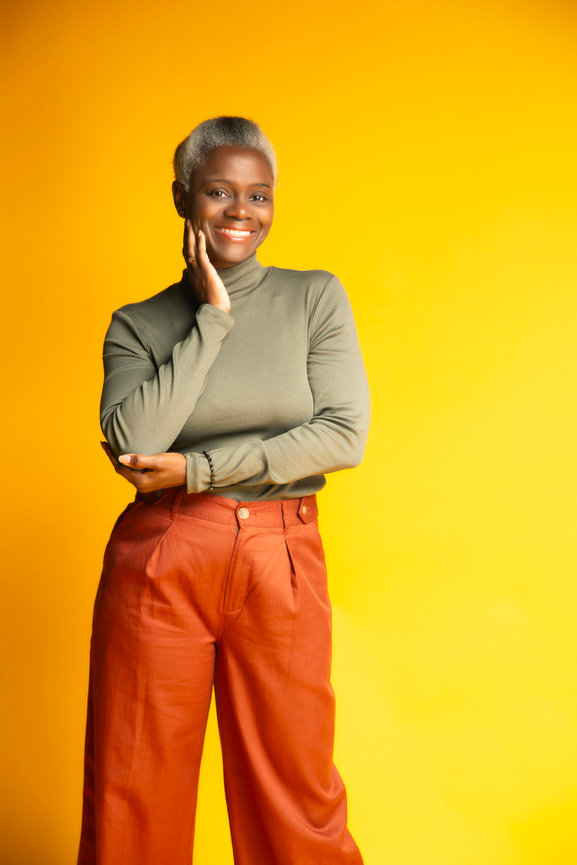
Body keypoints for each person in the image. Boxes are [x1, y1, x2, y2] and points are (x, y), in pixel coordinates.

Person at [77, 115, 370, 865]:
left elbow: (343, 436)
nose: (242, 211)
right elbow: (137, 443)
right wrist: (211, 318)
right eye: (219, 191)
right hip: (162, 559)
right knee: (133, 787)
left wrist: (199, 469)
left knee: (295, 785)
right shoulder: (139, 324)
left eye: (259, 195)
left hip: (280, 555)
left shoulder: (314, 298)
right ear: (182, 199)